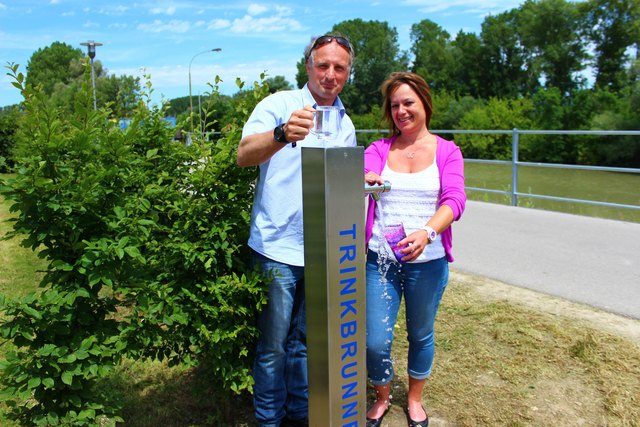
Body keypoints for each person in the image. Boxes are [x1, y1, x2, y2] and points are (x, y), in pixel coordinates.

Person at [236, 34, 356, 427]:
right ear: (308, 66)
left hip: (322, 252)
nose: (330, 74)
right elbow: (242, 155)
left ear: (348, 73)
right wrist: (281, 134)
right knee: (272, 347)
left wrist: (360, 180)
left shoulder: (345, 122)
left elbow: (339, 185)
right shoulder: (279, 104)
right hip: (276, 250)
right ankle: (269, 420)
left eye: (340, 67)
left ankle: (302, 417)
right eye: (323, 65)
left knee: (304, 345)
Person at [363, 72, 466, 427]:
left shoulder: (447, 151)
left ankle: (415, 398)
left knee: (420, 333)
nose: (401, 111)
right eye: (394, 105)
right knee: (375, 338)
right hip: (381, 261)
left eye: (408, 102)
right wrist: (364, 178)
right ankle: (381, 395)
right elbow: (361, 171)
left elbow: (455, 200)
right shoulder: (379, 149)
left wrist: (427, 232)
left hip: (428, 263)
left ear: (425, 103)